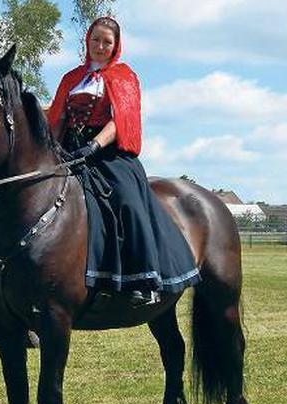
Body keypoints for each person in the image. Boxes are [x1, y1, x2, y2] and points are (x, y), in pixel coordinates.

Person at [46, 16, 200, 306]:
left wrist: (94, 145)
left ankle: (143, 278)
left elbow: (122, 120)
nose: (100, 46)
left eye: (107, 42)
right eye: (95, 40)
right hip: (70, 151)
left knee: (128, 201)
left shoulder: (124, 76)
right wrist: (52, 149)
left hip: (109, 153)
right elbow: (58, 117)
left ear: (116, 46)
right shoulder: (71, 78)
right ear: (87, 41)